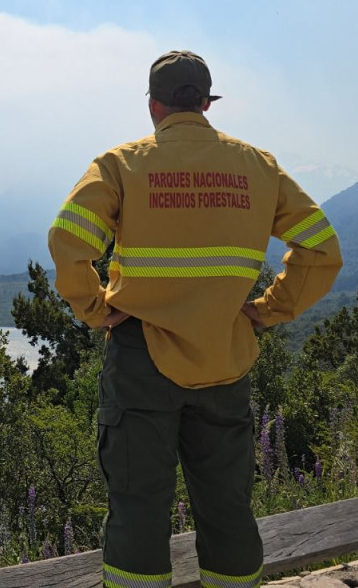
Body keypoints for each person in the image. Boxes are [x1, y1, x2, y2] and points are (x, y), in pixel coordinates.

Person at [48, 50, 342, 588]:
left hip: (141, 357)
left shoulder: (121, 163)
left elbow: (68, 240)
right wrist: (266, 312)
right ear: (207, 102)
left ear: (154, 105)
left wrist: (95, 309)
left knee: (139, 506)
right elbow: (321, 250)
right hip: (226, 356)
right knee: (227, 506)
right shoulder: (259, 166)